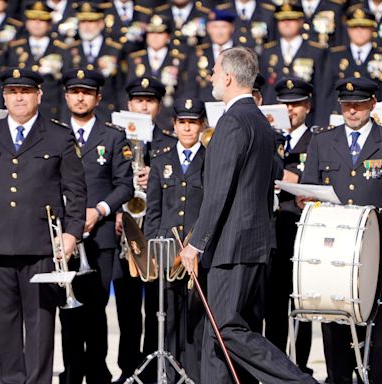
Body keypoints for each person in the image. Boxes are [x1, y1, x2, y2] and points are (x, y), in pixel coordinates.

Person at [179, 46, 318, 384]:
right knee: (219, 337)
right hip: (252, 244)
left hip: (232, 247)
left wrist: (195, 244)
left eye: (214, 70)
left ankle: (299, 381)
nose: (211, 76)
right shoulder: (258, 120)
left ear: (227, 76)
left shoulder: (232, 122)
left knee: (227, 329)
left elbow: (218, 190)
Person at [0, 68, 87, 384]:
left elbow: (76, 190)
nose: (19, 97)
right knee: (3, 324)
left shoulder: (58, 136)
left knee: (41, 325)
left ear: (39, 95)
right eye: (13, 91)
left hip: (41, 244)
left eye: (26, 91)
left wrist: (71, 234)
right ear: (4, 96)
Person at [299, 77, 382, 383]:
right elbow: (308, 190)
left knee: (374, 332)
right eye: (347, 105)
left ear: (372, 105)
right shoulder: (323, 140)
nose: (352, 111)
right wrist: (304, 198)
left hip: (374, 249)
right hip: (331, 250)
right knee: (333, 328)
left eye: (359, 105)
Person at [58, 68, 134, 384]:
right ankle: (72, 372)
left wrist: (100, 210)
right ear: (66, 96)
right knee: (67, 307)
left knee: (97, 306)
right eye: (75, 91)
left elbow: (125, 185)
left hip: (99, 235)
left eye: (87, 92)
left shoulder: (113, 136)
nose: (80, 97)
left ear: (97, 97)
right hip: (62, 234)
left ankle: (97, 370)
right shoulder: (53, 133)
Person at [111, 76, 177, 383]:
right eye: (138, 100)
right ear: (129, 105)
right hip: (123, 232)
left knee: (155, 307)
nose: (143, 106)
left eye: (149, 101)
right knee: (126, 308)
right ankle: (128, 368)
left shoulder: (169, 144)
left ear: (158, 106)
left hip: (155, 235)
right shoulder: (115, 140)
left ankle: (152, 369)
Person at [144, 97, 207, 383]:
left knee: (195, 319)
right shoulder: (161, 159)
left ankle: (192, 375)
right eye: (182, 122)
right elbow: (153, 210)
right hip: (168, 253)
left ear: (201, 125)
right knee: (167, 317)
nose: (187, 128)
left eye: (192, 123)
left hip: (197, 253)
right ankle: (169, 374)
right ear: (174, 124)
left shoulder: (210, 159)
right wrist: (151, 249)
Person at [265, 77, 314, 375]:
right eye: (284, 104)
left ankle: (300, 367)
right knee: (272, 307)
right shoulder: (267, 137)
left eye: (295, 104)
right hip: (270, 230)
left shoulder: (318, 139)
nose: (289, 110)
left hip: (299, 230)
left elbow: (306, 179)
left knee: (302, 307)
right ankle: (273, 370)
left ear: (307, 106)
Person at [259, 2, 325, 122]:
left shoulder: (315, 51)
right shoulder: (268, 51)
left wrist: (319, 121)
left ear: (301, 21)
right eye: (282, 19)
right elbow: (264, 88)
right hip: (273, 116)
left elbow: (321, 90)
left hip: (305, 116)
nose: (286, 23)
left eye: (291, 19)